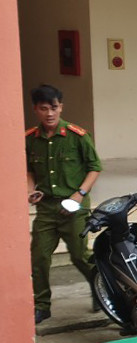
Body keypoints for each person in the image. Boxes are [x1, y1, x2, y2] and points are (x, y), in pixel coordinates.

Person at [26, 84, 102, 325]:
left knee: (80, 256)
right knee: (38, 257)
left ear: (61, 107)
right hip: (47, 207)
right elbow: (28, 168)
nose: (50, 113)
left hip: (74, 207)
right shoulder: (30, 139)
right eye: (44, 108)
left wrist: (79, 195)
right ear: (35, 109)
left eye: (54, 108)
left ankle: (101, 290)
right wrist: (30, 190)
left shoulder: (77, 135)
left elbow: (94, 167)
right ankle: (41, 305)